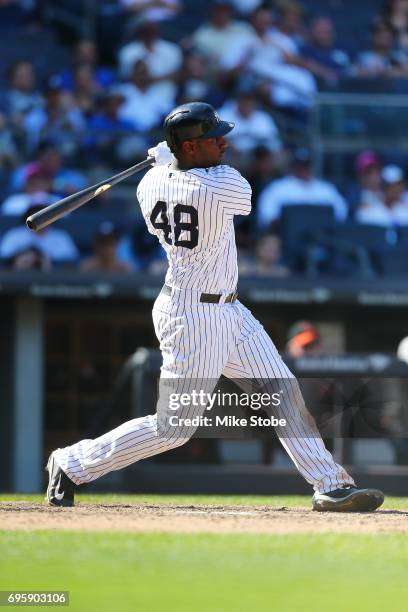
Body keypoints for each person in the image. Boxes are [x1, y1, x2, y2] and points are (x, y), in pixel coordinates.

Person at [46, 101, 384, 513]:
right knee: (174, 428)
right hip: (193, 316)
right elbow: (241, 195)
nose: (224, 142)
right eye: (212, 138)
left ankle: (330, 485)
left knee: (282, 392)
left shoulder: (149, 183)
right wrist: (169, 158)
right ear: (189, 148)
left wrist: (163, 160)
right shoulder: (216, 186)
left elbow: (172, 174)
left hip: (228, 310)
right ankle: (70, 463)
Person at [257, 147, 348, 229]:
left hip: (320, 237)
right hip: (287, 238)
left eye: (306, 165)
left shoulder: (325, 189)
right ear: (293, 166)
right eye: (300, 165)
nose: (303, 169)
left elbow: (340, 213)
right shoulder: (277, 188)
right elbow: (267, 217)